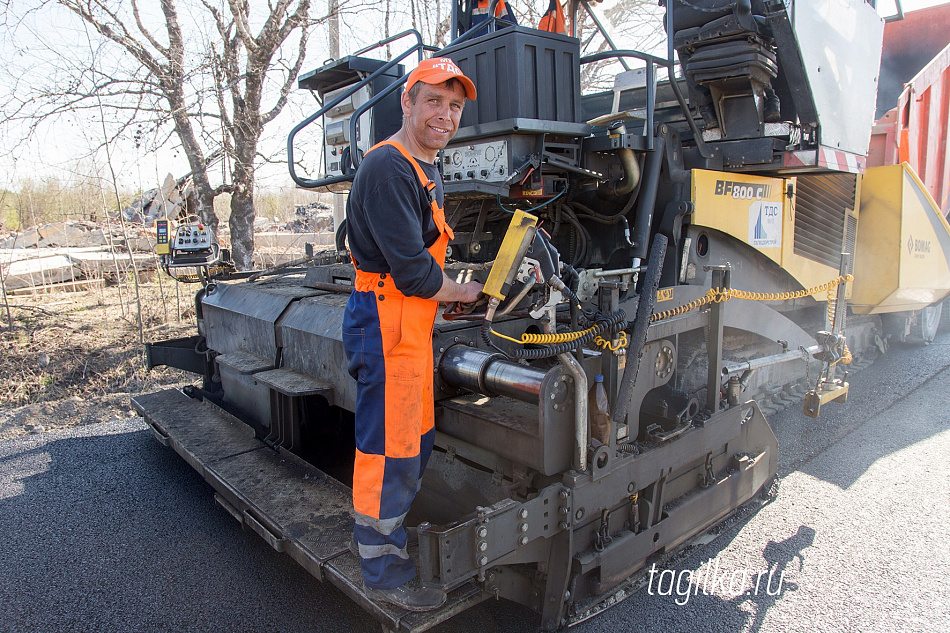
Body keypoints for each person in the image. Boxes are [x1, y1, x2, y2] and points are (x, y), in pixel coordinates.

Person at [341, 57, 484, 612]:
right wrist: (463, 292)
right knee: (389, 446)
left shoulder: (424, 168)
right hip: (385, 320)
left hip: (410, 322)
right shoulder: (388, 168)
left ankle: (389, 532)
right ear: (406, 102)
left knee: (414, 437)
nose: (444, 115)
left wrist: (444, 298)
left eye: (454, 106)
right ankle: (381, 569)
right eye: (433, 102)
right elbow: (413, 272)